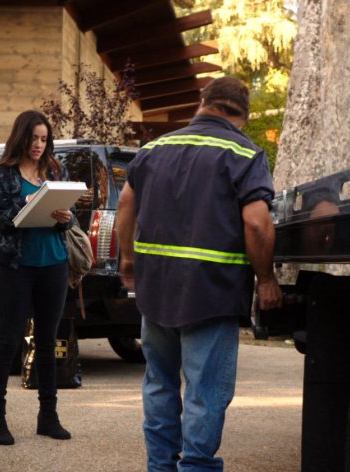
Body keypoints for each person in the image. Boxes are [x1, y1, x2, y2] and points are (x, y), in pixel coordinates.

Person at [116, 77, 283, 471]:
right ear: (242, 114)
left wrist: (128, 263)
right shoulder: (244, 153)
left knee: (159, 383)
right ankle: (195, 467)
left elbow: (125, 205)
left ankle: (159, 466)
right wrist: (267, 279)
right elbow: (257, 225)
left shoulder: (153, 149)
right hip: (212, 293)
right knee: (205, 392)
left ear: (203, 102)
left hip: (155, 290)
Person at [0, 110, 74, 445]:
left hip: (54, 263)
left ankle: (48, 417)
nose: (39, 144)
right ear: (21, 137)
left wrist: (65, 217)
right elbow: (0, 220)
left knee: (48, 343)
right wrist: (25, 202)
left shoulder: (55, 169)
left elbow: (66, 219)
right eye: (34, 138)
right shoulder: (3, 174)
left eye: (44, 139)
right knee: (8, 341)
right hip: (16, 267)